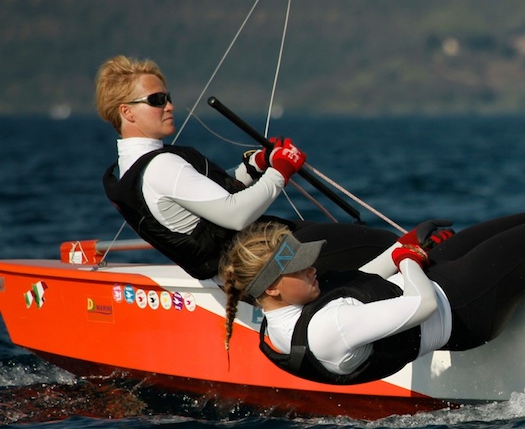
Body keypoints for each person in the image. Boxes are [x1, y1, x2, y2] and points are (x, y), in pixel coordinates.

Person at [219, 213, 525, 385]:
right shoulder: (326, 328)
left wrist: (404, 244)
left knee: (524, 221)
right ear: (271, 288)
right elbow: (423, 306)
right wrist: (409, 260)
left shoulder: (280, 316)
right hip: (464, 306)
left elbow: (356, 284)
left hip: (434, 283)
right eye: (300, 268)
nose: (313, 269)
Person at [96, 55, 397, 279]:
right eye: (157, 100)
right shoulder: (162, 167)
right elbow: (235, 214)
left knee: (355, 241)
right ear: (127, 112)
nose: (170, 106)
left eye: (168, 97)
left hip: (245, 260)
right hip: (261, 259)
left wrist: (255, 166)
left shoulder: (126, 171)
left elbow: (204, 200)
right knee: (387, 245)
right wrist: (280, 171)